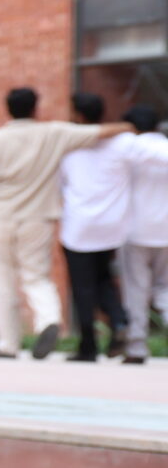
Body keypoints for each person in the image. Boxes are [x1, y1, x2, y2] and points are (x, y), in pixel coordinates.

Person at [0, 87, 118, 359]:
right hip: (38, 217)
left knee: (3, 279)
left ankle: (7, 344)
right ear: (35, 108)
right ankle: (48, 319)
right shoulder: (53, 133)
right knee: (36, 276)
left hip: (1, 215)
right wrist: (133, 127)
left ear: (7, 109)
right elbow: (101, 131)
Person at [58, 90, 135, 361]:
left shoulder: (67, 145)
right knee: (104, 280)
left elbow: (58, 186)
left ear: (78, 115)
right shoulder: (122, 143)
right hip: (111, 227)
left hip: (78, 228)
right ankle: (119, 320)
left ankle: (88, 346)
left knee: (83, 288)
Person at [121, 105, 168, 364]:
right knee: (165, 289)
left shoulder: (128, 148)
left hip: (135, 231)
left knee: (137, 290)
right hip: (165, 232)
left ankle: (136, 347)